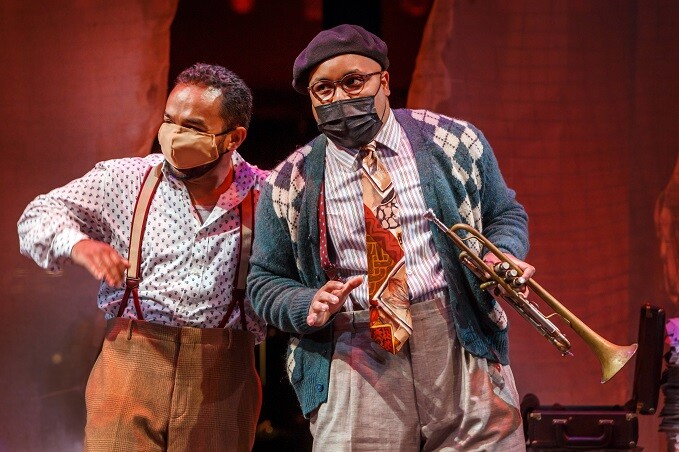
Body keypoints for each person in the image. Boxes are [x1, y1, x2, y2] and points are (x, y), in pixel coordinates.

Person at [247, 24, 536, 451]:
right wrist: (306, 303)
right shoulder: (292, 180)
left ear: (384, 80)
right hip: (353, 348)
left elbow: (503, 213)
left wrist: (502, 256)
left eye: (352, 82)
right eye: (323, 90)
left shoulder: (453, 141)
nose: (340, 98)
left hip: (455, 336)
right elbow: (263, 282)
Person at [18, 63, 267, 451]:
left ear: (233, 138)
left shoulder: (268, 194)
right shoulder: (126, 179)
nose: (175, 134)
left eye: (194, 126)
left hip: (223, 373)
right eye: (170, 119)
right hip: (133, 359)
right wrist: (79, 244)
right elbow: (37, 216)